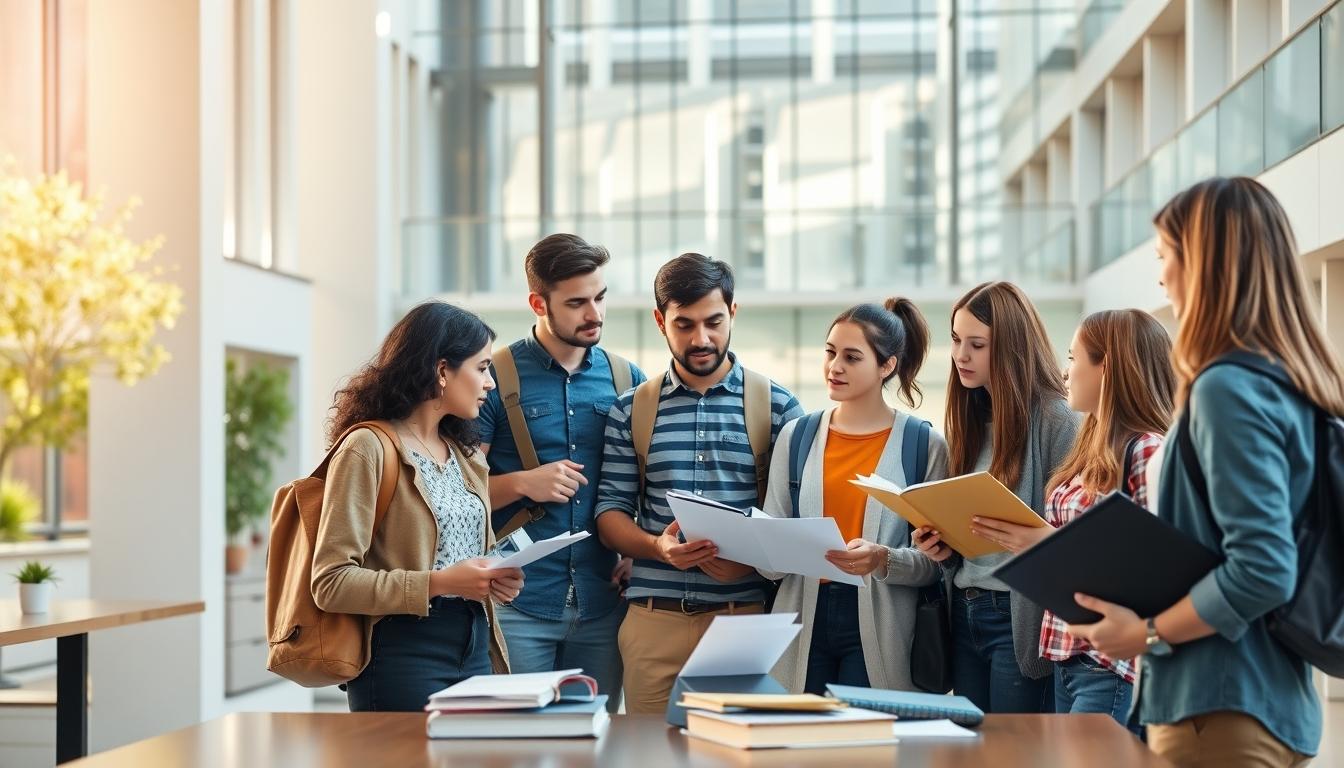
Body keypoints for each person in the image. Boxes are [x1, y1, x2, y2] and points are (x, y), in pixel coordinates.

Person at [1069, 177, 1343, 766]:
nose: (1162, 277)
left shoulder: (1226, 389)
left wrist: (1143, 632)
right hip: (1265, 703)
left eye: (1167, 257)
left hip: (1217, 713)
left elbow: (1264, 570)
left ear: (1205, 266)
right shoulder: (1291, 385)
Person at [594, 253, 804, 714]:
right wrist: (657, 547)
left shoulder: (781, 408)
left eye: (713, 321)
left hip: (743, 622)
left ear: (733, 312)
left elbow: (797, 524)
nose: (701, 338)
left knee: (733, 755)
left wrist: (750, 564)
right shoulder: (631, 410)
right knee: (649, 756)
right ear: (660, 321)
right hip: (653, 620)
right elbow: (609, 513)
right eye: (684, 324)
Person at [312, 301, 524, 712]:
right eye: (481, 368)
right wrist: (441, 583)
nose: (490, 383)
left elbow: (472, 559)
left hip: (478, 645)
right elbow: (331, 582)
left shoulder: (467, 457)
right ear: (442, 371)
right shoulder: (367, 448)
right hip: (402, 654)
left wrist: (498, 581)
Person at [967, 309, 1174, 726]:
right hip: (1067, 652)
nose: (1065, 373)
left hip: (1110, 662)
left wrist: (1048, 544)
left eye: (1074, 358)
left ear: (1107, 367)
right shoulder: (1090, 447)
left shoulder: (1148, 450)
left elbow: (1158, 572)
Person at [476, 234, 645, 712]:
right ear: (538, 302)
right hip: (517, 604)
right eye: (576, 303)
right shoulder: (492, 376)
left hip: (603, 603)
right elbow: (455, 496)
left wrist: (638, 552)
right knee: (516, 745)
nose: (594, 314)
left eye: (600, 297)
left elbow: (642, 481)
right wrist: (523, 483)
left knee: (598, 741)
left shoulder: (627, 378)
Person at [759, 299, 949, 694]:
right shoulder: (797, 437)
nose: (834, 367)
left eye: (851, 357)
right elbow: (769, 548)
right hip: (802, 618)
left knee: (868, 749)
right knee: (803, 747)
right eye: (830, 353)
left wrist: (884, 558)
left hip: (886, 625)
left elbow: (936, 565)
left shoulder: (924, 445)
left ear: (887, 366)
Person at [911, 281, 1080, 713]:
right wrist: (941, 547)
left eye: (976, 344)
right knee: (972, 749)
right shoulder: (970, 419)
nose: (960, 356)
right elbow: (972, 544)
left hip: (1017, 618)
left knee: (1012, 752)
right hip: (964, 612)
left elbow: (1077, 536)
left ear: (1010, 347)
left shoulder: (1055, 419)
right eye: (955, 340)